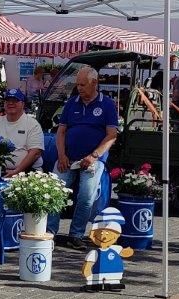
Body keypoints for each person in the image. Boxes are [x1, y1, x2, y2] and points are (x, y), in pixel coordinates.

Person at [46, 66, 119, 250]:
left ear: (94, 83)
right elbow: (61, 131)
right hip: (68, 158)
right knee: (54, 192)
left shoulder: (107, 104)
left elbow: (111, 135)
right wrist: (61, 155)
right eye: (77, 84)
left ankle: (76, 235)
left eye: (83, 84)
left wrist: (94, 156)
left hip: (93, 159)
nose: (79, 88)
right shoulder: (72, 103)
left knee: (86, 196)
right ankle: (49, 232)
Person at [0, 88, 44, 178]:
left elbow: (35, 152)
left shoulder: (32, 124)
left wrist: (17, 171)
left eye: (15, 100)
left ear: (23, 104)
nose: (10, 103)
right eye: (7, 100)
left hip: (27, 172)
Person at [81, 207, 134, 292]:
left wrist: (128, 250)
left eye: (107, 233)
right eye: (101, 233)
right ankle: (93, 284)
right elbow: (89, 264)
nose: (104, 237)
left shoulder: (115, 248)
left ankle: (114, 283)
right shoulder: (95, 253)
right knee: (94, 280)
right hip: (96, 276)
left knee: (114, 279)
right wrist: (87, 271)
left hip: (115, 274)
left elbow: (125, 252)